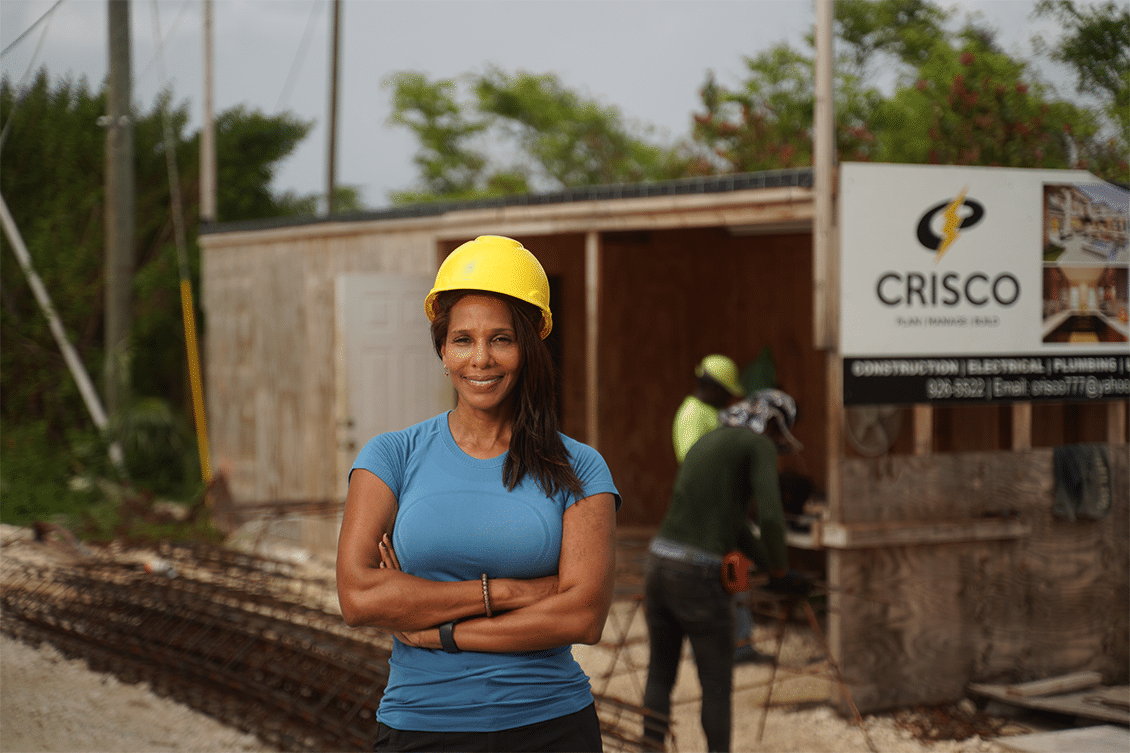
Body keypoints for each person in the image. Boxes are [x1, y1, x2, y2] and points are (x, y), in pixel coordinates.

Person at [336, 235, 621, 753]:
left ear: (529, 346)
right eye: (463, 340)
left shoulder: (579, 467)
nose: (481, 360)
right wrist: (509, 593)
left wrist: (441, 630)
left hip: (550, 724)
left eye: (501, 340)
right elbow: (359, 597)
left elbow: (582, 616)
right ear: (442, 350)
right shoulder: (390, 457)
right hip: (422, 725)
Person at [643, 389, 810, 753]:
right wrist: (781, 571)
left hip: (658, 564)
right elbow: (769, 514)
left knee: (660, 674)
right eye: (781, 437)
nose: (780, 447)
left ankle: (650, 747)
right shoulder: (758, 445)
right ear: (773, 424)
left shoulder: (708, 442)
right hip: (697, 575)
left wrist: (769, 565)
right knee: (716, 684)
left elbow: (734, 527)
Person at [672, 354, 745, 464]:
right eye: (727, 393)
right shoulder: (692, 413)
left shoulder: (709, 410)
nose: (728, 399)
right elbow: (691, 458)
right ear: (715, 388)